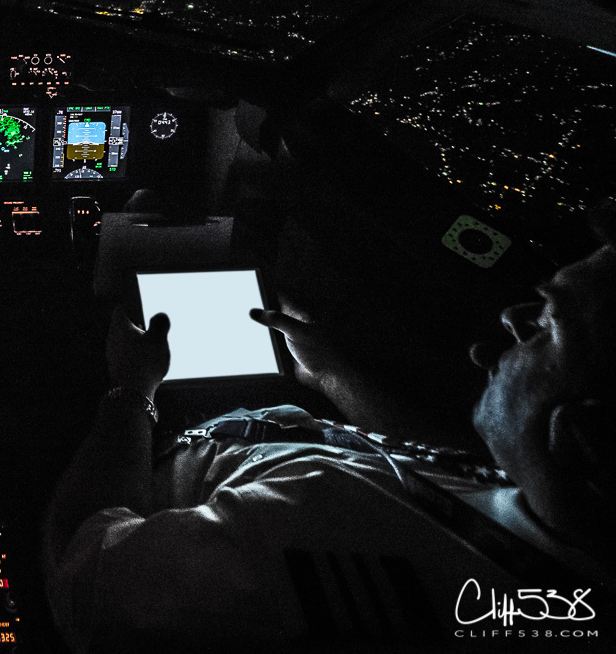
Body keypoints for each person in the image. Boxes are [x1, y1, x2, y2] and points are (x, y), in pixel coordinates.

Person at [43, 201, 616, 650]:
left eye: (548, 323)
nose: (513, 317)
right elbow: (446, 479)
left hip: (136, 466)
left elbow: (82, 574)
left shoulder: (312, 539)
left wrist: (130, 392)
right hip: (267, 427)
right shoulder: (565, 525)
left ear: (584, 436)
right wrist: (331, 377)